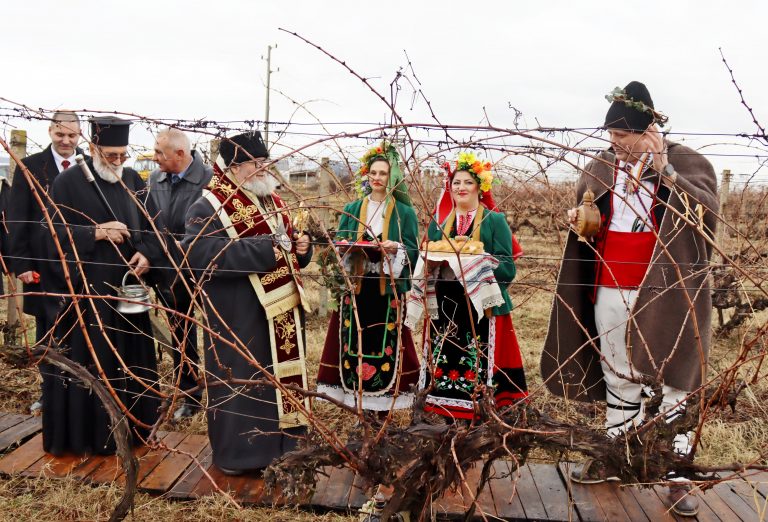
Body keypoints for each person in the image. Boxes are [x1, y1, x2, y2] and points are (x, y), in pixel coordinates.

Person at [540, 81, 718, 516]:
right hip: (609, 287)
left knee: (676, 378)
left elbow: (705, 217)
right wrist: (581, 219)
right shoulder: (602, 164)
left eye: (622, 136)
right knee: (617, 371)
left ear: (647, 130)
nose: (613, 144)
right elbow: (592, 218)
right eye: (611, 136)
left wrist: (665, 172)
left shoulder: (687, 162)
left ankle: (676, 474)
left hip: (669, 291)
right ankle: (616, 458)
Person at [183, 131, 313, 475]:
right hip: (239, 319)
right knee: (245, 387)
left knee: (279, 385)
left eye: (264, 162)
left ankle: (287, 448)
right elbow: (198, 256)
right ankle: (244, 456)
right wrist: (262, 250)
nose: (262, 169)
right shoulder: (208, 205)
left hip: (281, 313)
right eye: (254, 164)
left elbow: (288, 248)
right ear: (233, 167)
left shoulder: (271, 200)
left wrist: (303, 249)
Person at [43, 116, 161, 456]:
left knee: (132, 359)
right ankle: (91, 438)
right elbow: (49, 236)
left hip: (129, 291)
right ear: (93, 148)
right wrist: (95, 232)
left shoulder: (133, 179)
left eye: (123, 155)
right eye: (112, 155)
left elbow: (154, 228)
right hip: (88, 296)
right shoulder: (68, 183)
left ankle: (135, 432)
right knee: (94, 363)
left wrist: (146, 255)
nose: (119, 162)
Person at [408, 152, 528, 421]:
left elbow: (508, 269)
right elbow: (423, 259)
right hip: (446, 306)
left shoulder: (494, 221)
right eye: (456, 183)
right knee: (447, 365)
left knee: (480, 365)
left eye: (467, 183)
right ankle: (447, 418)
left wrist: (477, 264)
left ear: (480, 187)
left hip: (481, 308)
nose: (461, 188)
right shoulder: (440, 224)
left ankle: (482, 419)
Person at [316, 143, 420, 412]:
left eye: (383, 173)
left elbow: (414, 250)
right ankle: (358, 407)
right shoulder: (352, 208)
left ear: (392, 177)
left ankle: (382, 410)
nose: (377, 178)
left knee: (385, 345)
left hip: (387, 292)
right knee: (354, 345)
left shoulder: (404, 213)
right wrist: (346, 248)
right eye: (373, 173)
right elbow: (340, 247)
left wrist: (395, 248)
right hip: (357, 290)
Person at [7, 111, 86, 413]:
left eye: (72, 135)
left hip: (81, 266)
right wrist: (22, 262)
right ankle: (49, 391)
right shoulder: (29, 167)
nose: (66, 141)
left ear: (80, 135)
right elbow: (17, 217)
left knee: (82, 330)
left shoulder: (88, 167)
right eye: (60, 134)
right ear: (50, 131)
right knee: (48, 330)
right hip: (42, 265)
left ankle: (80, 392)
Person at [148, 128, 212, 420]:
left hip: (205, 269)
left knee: (218, 333)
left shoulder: (210, 180)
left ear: (181, 154)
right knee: (180, 333)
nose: (155, 157)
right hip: (169, 271)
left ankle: (225, 391)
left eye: (160, 152)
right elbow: (149, 219)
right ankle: (189, 394)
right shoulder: (154, 179)